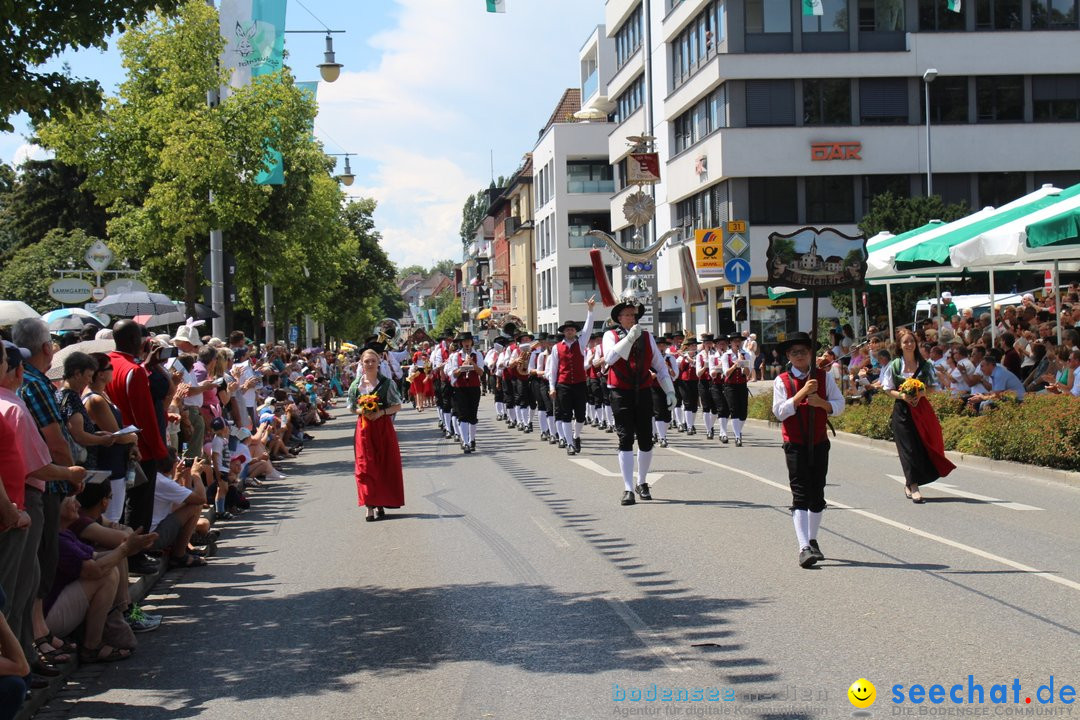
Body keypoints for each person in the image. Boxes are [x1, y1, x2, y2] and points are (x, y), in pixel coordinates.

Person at [44, 496, 157, 663]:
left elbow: (98, 556)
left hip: (55, 608)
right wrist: (125, 549)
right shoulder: (58, 540)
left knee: (113, 558)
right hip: (47, 618)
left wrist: (130, 548)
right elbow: (94, 571)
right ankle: (92, 646)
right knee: (107, 575)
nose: (78, 504)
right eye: (70, 500)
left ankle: (122, 613)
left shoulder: (65, 533)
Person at [772, 332, 845, 568]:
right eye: (794, 352)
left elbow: (839, 405)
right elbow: (779, 412)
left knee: (817, 492)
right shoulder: (781, 380)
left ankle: (813, 540)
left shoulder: (823, 377)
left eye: (803, 351)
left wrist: (822, 404)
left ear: (810, 353)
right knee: (800, 493)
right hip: (795, 442)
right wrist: (802, 394)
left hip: (819, 441)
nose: (799, 355)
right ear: (788, 356)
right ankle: (803, 546)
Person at [602, 299, 675, 506]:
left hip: (643, 390)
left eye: (634, 315)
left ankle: (642, 482)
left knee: (645, 439)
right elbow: (609, 358)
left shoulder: (646, 336)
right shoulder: (610, 335)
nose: (631, 318)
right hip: (620, 391)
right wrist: (628, 339)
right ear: (618, 318)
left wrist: (669, 390)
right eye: (627, 315)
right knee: (625, 438)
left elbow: (659, 365)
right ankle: (627, 487)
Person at [107, 320, 169, 557]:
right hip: (141, 447)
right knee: (139, 504)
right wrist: (160, 451)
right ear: (136, 340)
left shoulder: (111, 363)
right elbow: (145, 418)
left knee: (124, 502)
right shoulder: (133, 370)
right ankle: (135, 555)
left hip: (118, 443)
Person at [881, 329, 955, 503]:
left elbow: (932, 386)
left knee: (922, 446)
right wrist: (903, 396)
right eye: (905, 342)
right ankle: (914, 486)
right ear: (900, 345)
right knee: (907, 448)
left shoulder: (926, 365)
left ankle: (910, 482)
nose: (909, 344)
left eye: (912, 341)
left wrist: (920, 393)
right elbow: (887, 388)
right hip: (902, 410)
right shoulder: (895, 365)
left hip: (921, 409)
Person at [348, 348, 404, 521]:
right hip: (364, 429)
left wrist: (381, 413)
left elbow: (397, 405)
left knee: (382, 464)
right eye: (366, 361)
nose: (370, 364)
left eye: (373, 361)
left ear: (379, 362)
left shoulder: (387, 383)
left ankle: (380, 502)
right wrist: (362, 410)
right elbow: (350, 406)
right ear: (361, 364)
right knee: (365, 466)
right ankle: (369, 506)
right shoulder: (356, 384)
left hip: (382, 427)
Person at [547, 297, 596, 455]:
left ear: (575, 331)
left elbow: (588, 329)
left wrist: (590, 311)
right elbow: (553, 369)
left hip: (580, 383)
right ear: (564, 332)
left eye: (572, 329)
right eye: (567, 330)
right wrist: (552, 387)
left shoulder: (581, 344)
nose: (570, 331)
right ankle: (569, 443)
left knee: (581, 416)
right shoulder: (556, 348)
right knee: (566, 415)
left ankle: (575, 436)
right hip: (563, 384)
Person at [445, 332, 485, 453]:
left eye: (468, 341)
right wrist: (462, 366)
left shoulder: (477, 354)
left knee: (473, 415)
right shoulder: (454, 356)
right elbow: (453, 373)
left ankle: (472, 440)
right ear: (461, 343)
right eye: (464, 342)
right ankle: (465, 441)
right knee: (463, 415)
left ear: (471, 342)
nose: (467, 344)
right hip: (460, 388)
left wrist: (472, 363)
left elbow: (481, 372)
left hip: (474, 387)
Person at [720, 333, 752, 446]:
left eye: (739, 341)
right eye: (735, 341)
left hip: (742, 385)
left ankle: (738, 430)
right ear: (731, 343)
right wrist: (735, 365)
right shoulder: (726, 356)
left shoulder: (746, 354)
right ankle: (737, 436)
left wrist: (743, 364)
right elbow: (726, 373)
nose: (737, 343)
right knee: (734, 410)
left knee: (743, 413)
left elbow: (748, 374)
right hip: (730, 386)